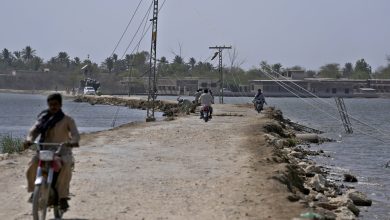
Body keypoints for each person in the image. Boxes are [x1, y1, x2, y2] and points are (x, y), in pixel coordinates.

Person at [24, 93, 80, 211]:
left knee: (66, 165)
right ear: (48, 105)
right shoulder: (43, 119)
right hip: (45, 149)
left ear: (60, 105)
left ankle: (63, 197)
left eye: (55, 104)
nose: (53, 106)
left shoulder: (67, 120)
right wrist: (29, 140)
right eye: (51, 104)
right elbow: (33, 131)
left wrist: (73, 141)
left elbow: (75, 134)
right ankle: (34, 190)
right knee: (32, 164)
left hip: (62, 150)